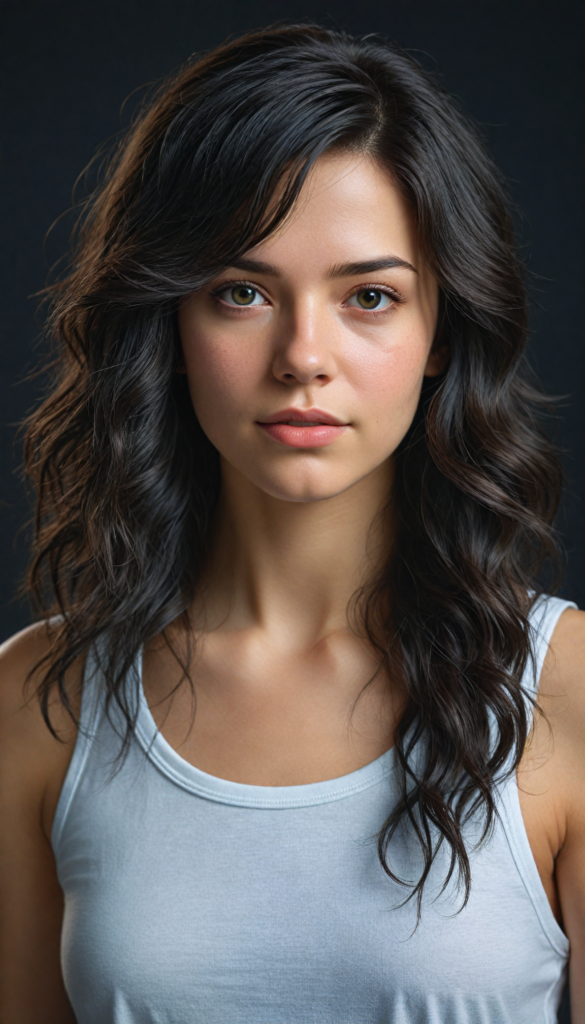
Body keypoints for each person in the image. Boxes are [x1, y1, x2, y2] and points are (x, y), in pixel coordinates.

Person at [0, 23, 583, 1024]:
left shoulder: (569, 693)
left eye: (368, 295)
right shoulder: (36, 701)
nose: (303, 354)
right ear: (172, 324)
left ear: (440, 330)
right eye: (242, 292)